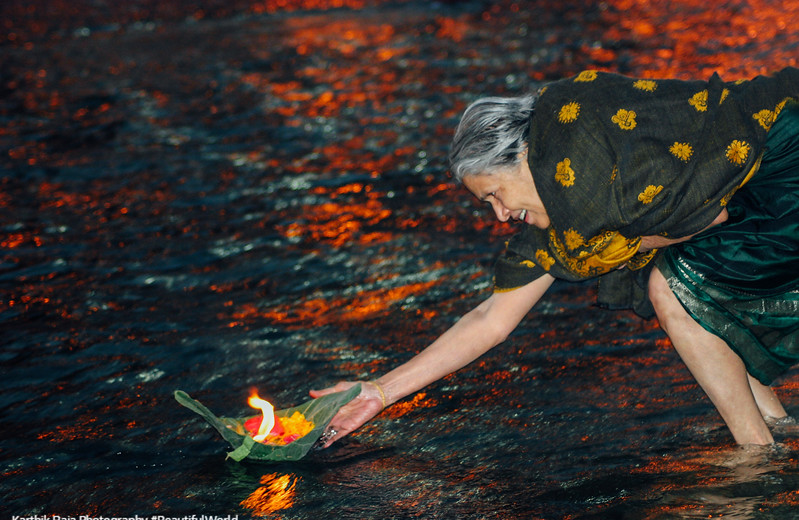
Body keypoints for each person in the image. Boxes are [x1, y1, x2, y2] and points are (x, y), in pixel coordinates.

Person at [311, 67, 799, 449]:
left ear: (521, 156)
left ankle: (757, 459)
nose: (501, 215)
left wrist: (625, 246)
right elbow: (491, 318)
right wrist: (379, 391)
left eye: (494, 195)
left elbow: (707, 216)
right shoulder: (556, 195)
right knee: (684, 292)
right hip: (755, 187)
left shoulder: (579, 149)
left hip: (785, 157)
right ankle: (778, 434)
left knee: (672, 287)